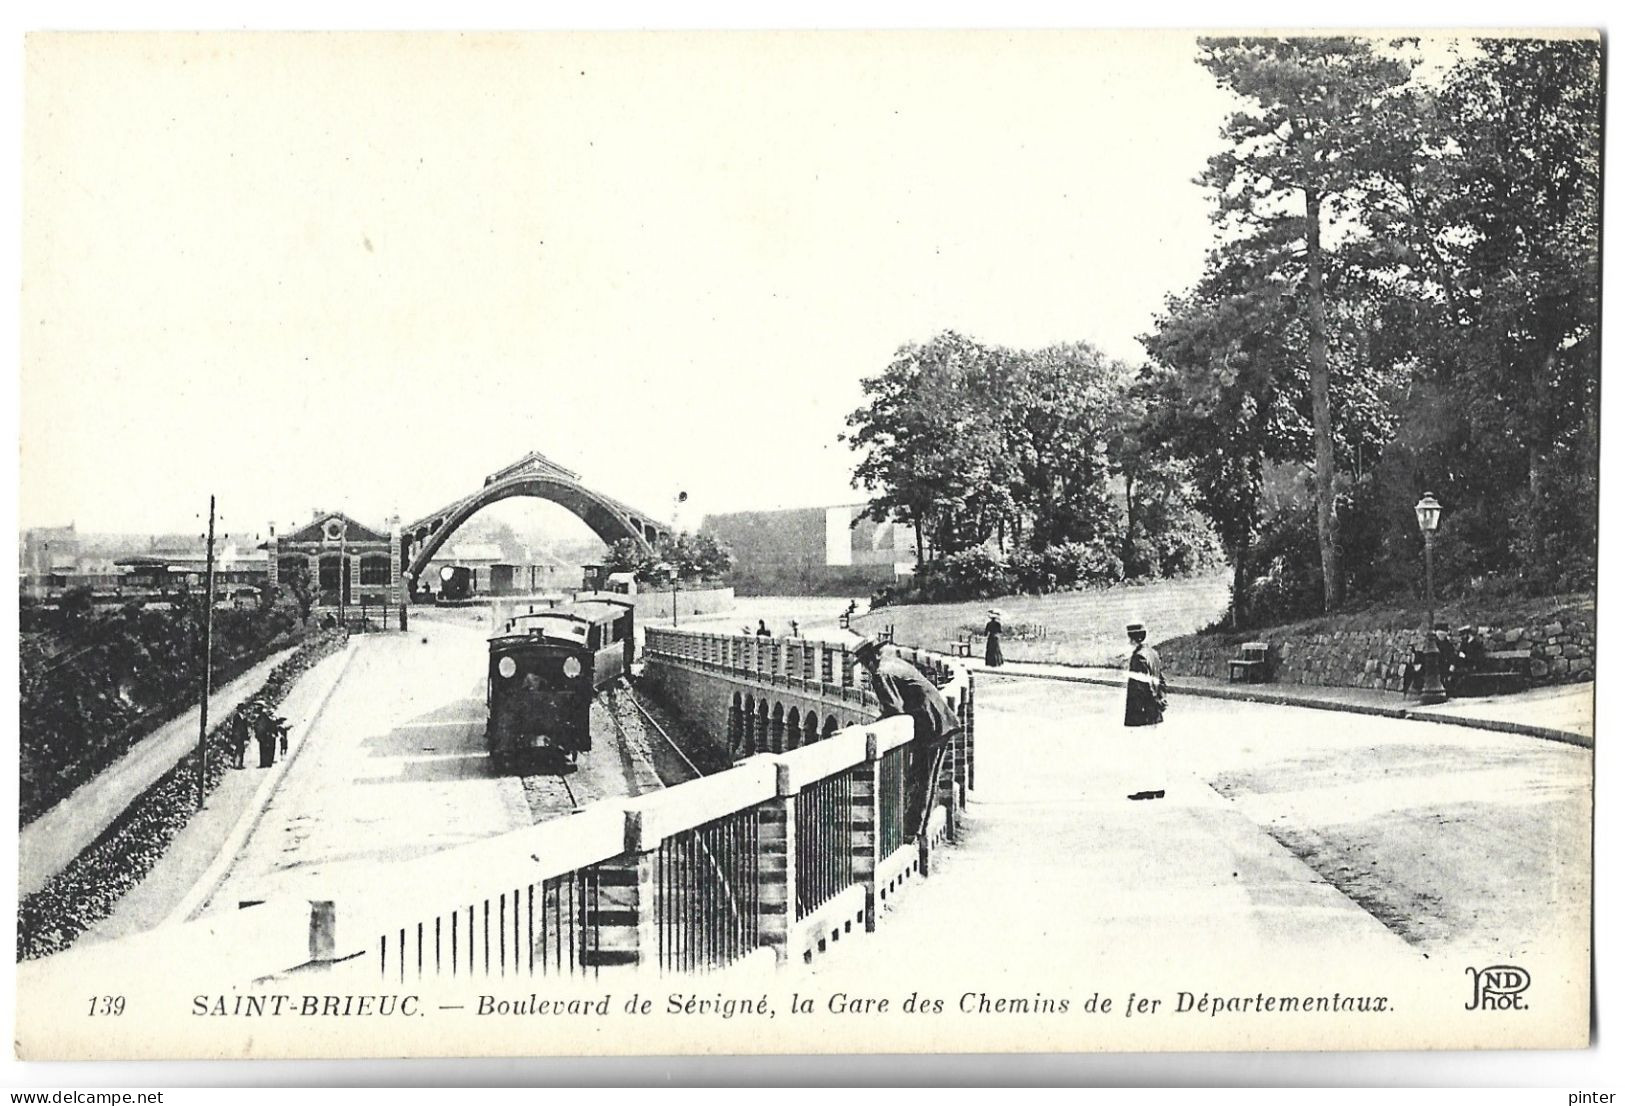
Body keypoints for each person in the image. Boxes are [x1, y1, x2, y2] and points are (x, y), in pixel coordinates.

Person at [853, 636, 963, 850]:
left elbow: (894, 709)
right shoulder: (895, 663)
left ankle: (914, 833)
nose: (866, 666)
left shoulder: (881, 673)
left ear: (871, 658)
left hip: (931, 725)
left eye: (865, 661)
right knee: (923, 777)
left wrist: (871, 727)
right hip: (936, 720)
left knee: (923, 779)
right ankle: (917, 829)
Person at [1123, 622, 1167, 801]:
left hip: (1143, 712)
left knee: (1143, 751)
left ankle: (1146, 789)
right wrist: (1161, 700)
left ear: (1133, 639)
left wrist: (1154, 702)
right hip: (1154, 712)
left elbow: (1143, 687)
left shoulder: (1138, 657)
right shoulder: (1153, 654)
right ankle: (1158, 787)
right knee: (1154, 749)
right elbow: (1161, 681)